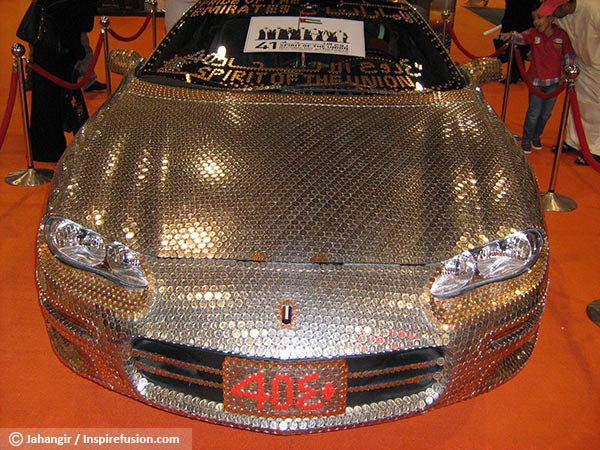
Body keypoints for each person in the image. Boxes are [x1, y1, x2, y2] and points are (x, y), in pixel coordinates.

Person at [500, 2, 575, 153]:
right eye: (534, 18)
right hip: (535, 81)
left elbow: (568, 55)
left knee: (546, 113)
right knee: (533, 112)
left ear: (551, 19)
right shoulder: (533, 33)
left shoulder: (562, 36)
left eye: (540, 18)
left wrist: (569, 70)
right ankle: (527, 139)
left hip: (554, 83)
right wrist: (511, 36)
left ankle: (536, 136)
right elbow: (521, 38)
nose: (536, 22)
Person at [29, 0, 97, 162]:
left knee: (47, 98)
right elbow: (79, 22)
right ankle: (50, 149)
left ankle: (46, 148)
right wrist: (78, 53)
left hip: (48, 45)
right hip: (59, 47)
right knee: (54, 98)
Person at [549, 0, 600, 165]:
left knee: (595, 110)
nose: (554, 14)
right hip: (582, 63)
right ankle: (573, 140)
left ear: (567, 5)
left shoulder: (594, 10)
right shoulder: (564, 14)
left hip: (597, 66)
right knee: (576, 103)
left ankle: (594, 150)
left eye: (556, 9)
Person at [495, 0, 538, 84]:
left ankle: (515, 72)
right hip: (521, 11)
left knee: (513, 37)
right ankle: (518, 71)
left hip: (518, 12)